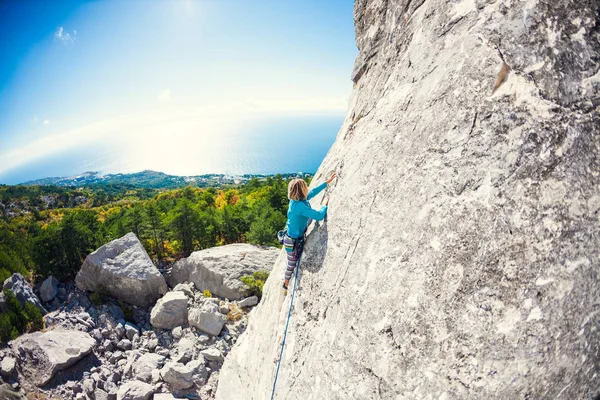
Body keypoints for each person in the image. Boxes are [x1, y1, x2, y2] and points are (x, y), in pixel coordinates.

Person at [282, 173, 336, 290]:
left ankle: (286, 282)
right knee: (291, 263)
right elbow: (319, 216)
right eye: (305, 187)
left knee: (308, 218)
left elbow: (311, 193)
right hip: (292, 241)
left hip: (294, 232)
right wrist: (324, 206)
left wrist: (326, 183)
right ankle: (285, 283)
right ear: (302, 191)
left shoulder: (296, 201)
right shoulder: (299, 207)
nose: (307, 188)